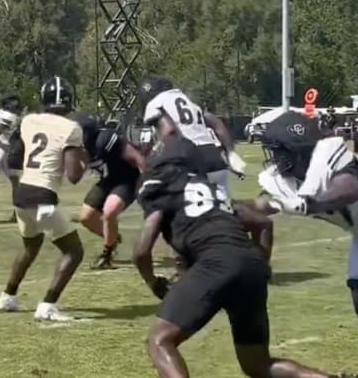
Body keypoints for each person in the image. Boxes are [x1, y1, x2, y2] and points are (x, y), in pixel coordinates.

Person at [133, 134, 343, 378]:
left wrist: (153, 282)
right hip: (250, 265)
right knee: (256, 364)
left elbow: (141, 251)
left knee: (160, 341)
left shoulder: (160, 187)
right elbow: (263, 224)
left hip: (217, 263)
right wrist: (258, 267)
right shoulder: (213, 192)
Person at [0, 76, 86, 321]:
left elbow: (16, 158)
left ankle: (8, 296)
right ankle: (48, 305)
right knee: (74, 252)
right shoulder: (71, 128)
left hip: (22, 193)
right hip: (43, 196)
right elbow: (75, 175)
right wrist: (84, 157)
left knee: (31, 246)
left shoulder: (29, 120)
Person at [258, 111, 358, 316]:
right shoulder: (288, 179)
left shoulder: (331, 157)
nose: (275, 159)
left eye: (279, 152)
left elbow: (349, 188)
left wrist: (309, 204)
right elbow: (262, 205)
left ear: (298, 152)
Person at [139, 77, 246, 193]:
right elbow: (215, 122)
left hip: (190, 159)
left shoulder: (155, 103)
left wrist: (160, 155)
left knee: (183, 206)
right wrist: (230, 152)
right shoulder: (187, 101)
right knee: (223, 207)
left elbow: (169, 131)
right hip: (215, 157)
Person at [75, 113, 145, 269]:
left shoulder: (105, 139)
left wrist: (146, 183)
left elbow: (136, 157)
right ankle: (112, 238)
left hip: (128, 178)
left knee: (109, 211)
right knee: (86, 217)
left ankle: (107, 253)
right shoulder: (79, 148)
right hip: (109, 180)